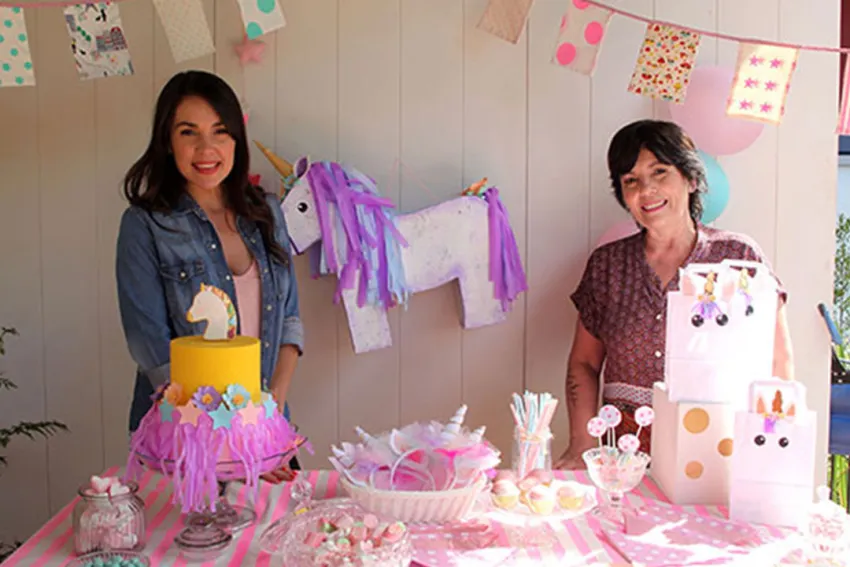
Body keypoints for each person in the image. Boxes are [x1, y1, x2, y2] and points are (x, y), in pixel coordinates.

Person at [554, 119, 794, 469]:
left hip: (715, 454)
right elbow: (584, 363)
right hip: (621, 458)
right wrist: (581, 446)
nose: (646, 190)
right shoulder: (608, 265)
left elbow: (777, 363)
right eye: (630, 181)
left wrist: (771, 451)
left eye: (660, 172)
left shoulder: (738, 258)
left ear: (691, 179)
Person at [115, 70, 304, 481]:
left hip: (265, 438)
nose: (206, 148)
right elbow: (152, 348)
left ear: (235, 139)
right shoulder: (145, 225)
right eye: (189, 133)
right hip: (184, 444)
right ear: (167, 141)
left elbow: (289, 324)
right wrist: (228, 441)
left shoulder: (267, 213)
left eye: (220, 132)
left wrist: (264, 424)